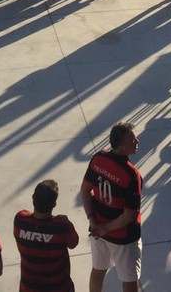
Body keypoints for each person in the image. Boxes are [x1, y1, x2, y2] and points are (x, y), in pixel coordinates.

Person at [81, 122, 143, 292]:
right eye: (132, 140)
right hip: (123, 237)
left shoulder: (98, 159)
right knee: (129, 280)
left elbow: (85, 190)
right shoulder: (132, 175)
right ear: (121, 145)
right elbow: (129, 215)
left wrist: (94, 222)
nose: (137, 141)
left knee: (98, 270)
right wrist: (105, 228)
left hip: (98, 230)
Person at [14, 179, 80, 292]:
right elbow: (74, 243)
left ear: (33, 198)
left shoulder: (20, 220)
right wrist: (66, 222)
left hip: (28, 288)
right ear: (54, 204)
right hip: (59, 287)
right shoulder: (62, 227)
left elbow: (29, 216)